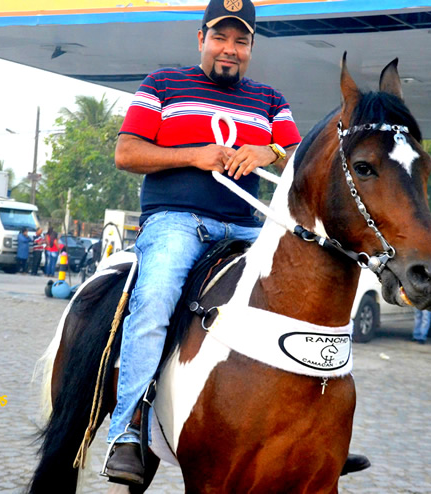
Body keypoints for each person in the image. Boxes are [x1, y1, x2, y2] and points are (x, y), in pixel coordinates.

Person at [103, 0, 304, 483]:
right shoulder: (162, 84)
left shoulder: (271, 100)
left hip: (248, 227)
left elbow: (301, 156)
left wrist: (270, 151)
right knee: (155, 299)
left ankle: (306, 432)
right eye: (220, 37)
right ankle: (127, 430)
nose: (229, 49)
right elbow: (126, 153)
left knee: (304, 295)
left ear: (251, 47)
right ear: (201, 39)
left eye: (240, 41)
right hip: (176, 223)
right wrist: (194, 156)